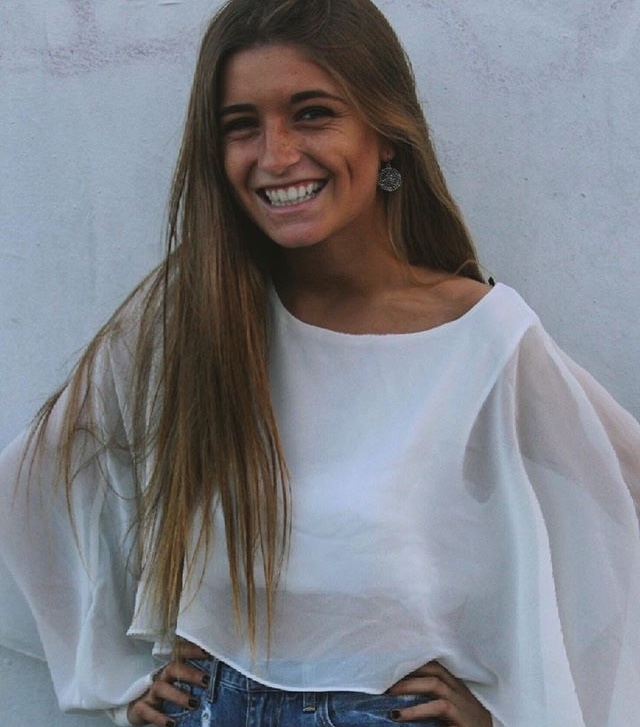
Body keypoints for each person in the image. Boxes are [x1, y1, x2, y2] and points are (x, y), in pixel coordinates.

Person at [0, 1, 639, 726]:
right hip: (211, 705)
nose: (275, 156)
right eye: (241, 125)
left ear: (386, 132)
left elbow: (620, 503)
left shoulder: (482, 336)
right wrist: (118, 684)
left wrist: (507, 713)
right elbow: (31, 484)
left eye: (312, 114)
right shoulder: (191, 313)